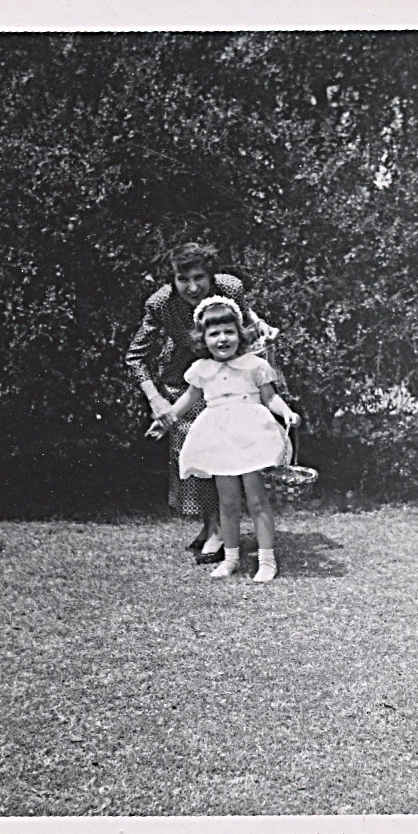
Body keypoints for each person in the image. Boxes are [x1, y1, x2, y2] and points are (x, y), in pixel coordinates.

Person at [126, 242, 276, 564]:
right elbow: (135, 356)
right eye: (183, 279)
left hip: (230, 378)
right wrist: (155, 400)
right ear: (172, 280)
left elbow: (242, 322)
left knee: (233, 451)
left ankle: (221, 531)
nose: (192, 287)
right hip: (185, 377)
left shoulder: (230, 287)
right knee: (199, 453)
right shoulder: (160, 303)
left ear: (212, 275)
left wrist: (257, 322)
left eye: (200, 277)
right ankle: (213, 527)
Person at [146, 296, 300, 583]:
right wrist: (166, 421)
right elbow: (187, 400)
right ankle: (230, 558)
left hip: (251, 435)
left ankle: (267, 560)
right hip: (219, 436)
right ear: (203, 338)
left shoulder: (254, 365)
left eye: (229, 331)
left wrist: (287, 412)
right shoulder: (201, 369)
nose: (222, 339)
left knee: (256, 500)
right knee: (227, 503)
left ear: (239, 334)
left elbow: (271, 397)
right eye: (214, 333)